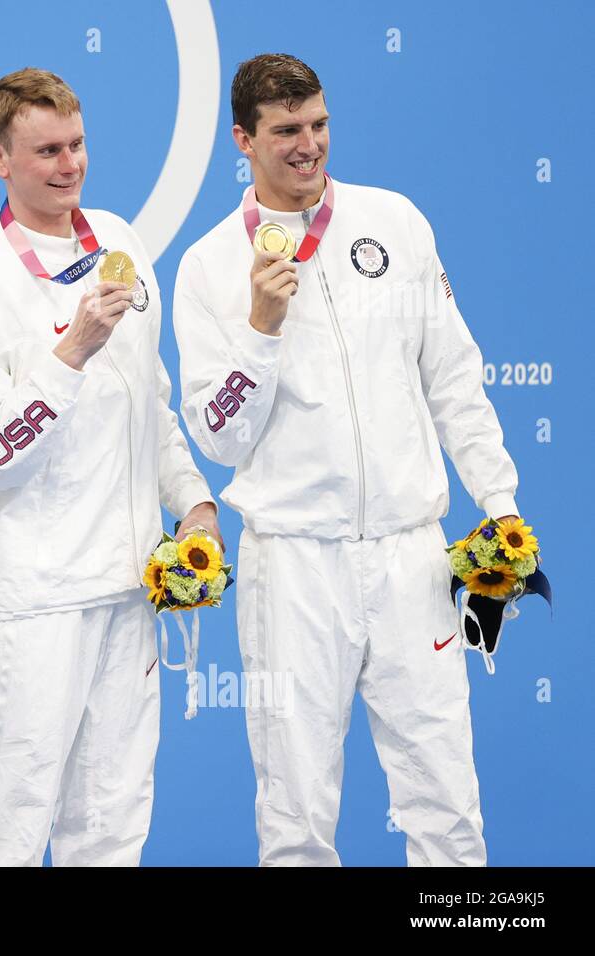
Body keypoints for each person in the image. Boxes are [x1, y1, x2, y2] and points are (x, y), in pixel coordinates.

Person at [172, 53, 521, 866]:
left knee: (446, 801)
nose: (309, 145)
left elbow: (454, 376)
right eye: (287, 130)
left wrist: (499, 504)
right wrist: (260, 327)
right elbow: (219, 437)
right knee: (294, 817)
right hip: (292, 567)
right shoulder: (207, 266)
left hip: (410, 556)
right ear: (243, 140)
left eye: (319, 125)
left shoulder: (394, 222)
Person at [0, 68, 220, 867]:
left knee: (114, 821)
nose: (69, 165)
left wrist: (192, 503)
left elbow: (151, 403)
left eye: (78, 145)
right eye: (47, 150)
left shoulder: (121, 244)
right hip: (37, 600)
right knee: (13, 820)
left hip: (130, 590)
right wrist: (73, 351)